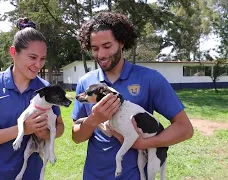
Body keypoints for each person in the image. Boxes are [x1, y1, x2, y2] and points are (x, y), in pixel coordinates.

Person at [71, 11, 194, 180]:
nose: (101, 55)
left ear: (121, 42)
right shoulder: (86, 83)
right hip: (93, 175)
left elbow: (184, 129)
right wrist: (93, 119)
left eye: (107, 46)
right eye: (95, 49)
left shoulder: (150, 79)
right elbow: (77, 137)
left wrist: (144, 144)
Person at [0, 22, 65, 179]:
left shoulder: (46, 89)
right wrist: (23, 129)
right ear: (14, 52)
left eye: (42, 59)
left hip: (31, 174)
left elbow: (60, 127)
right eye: (32, 57)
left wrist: (45, 133)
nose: (38, 65)